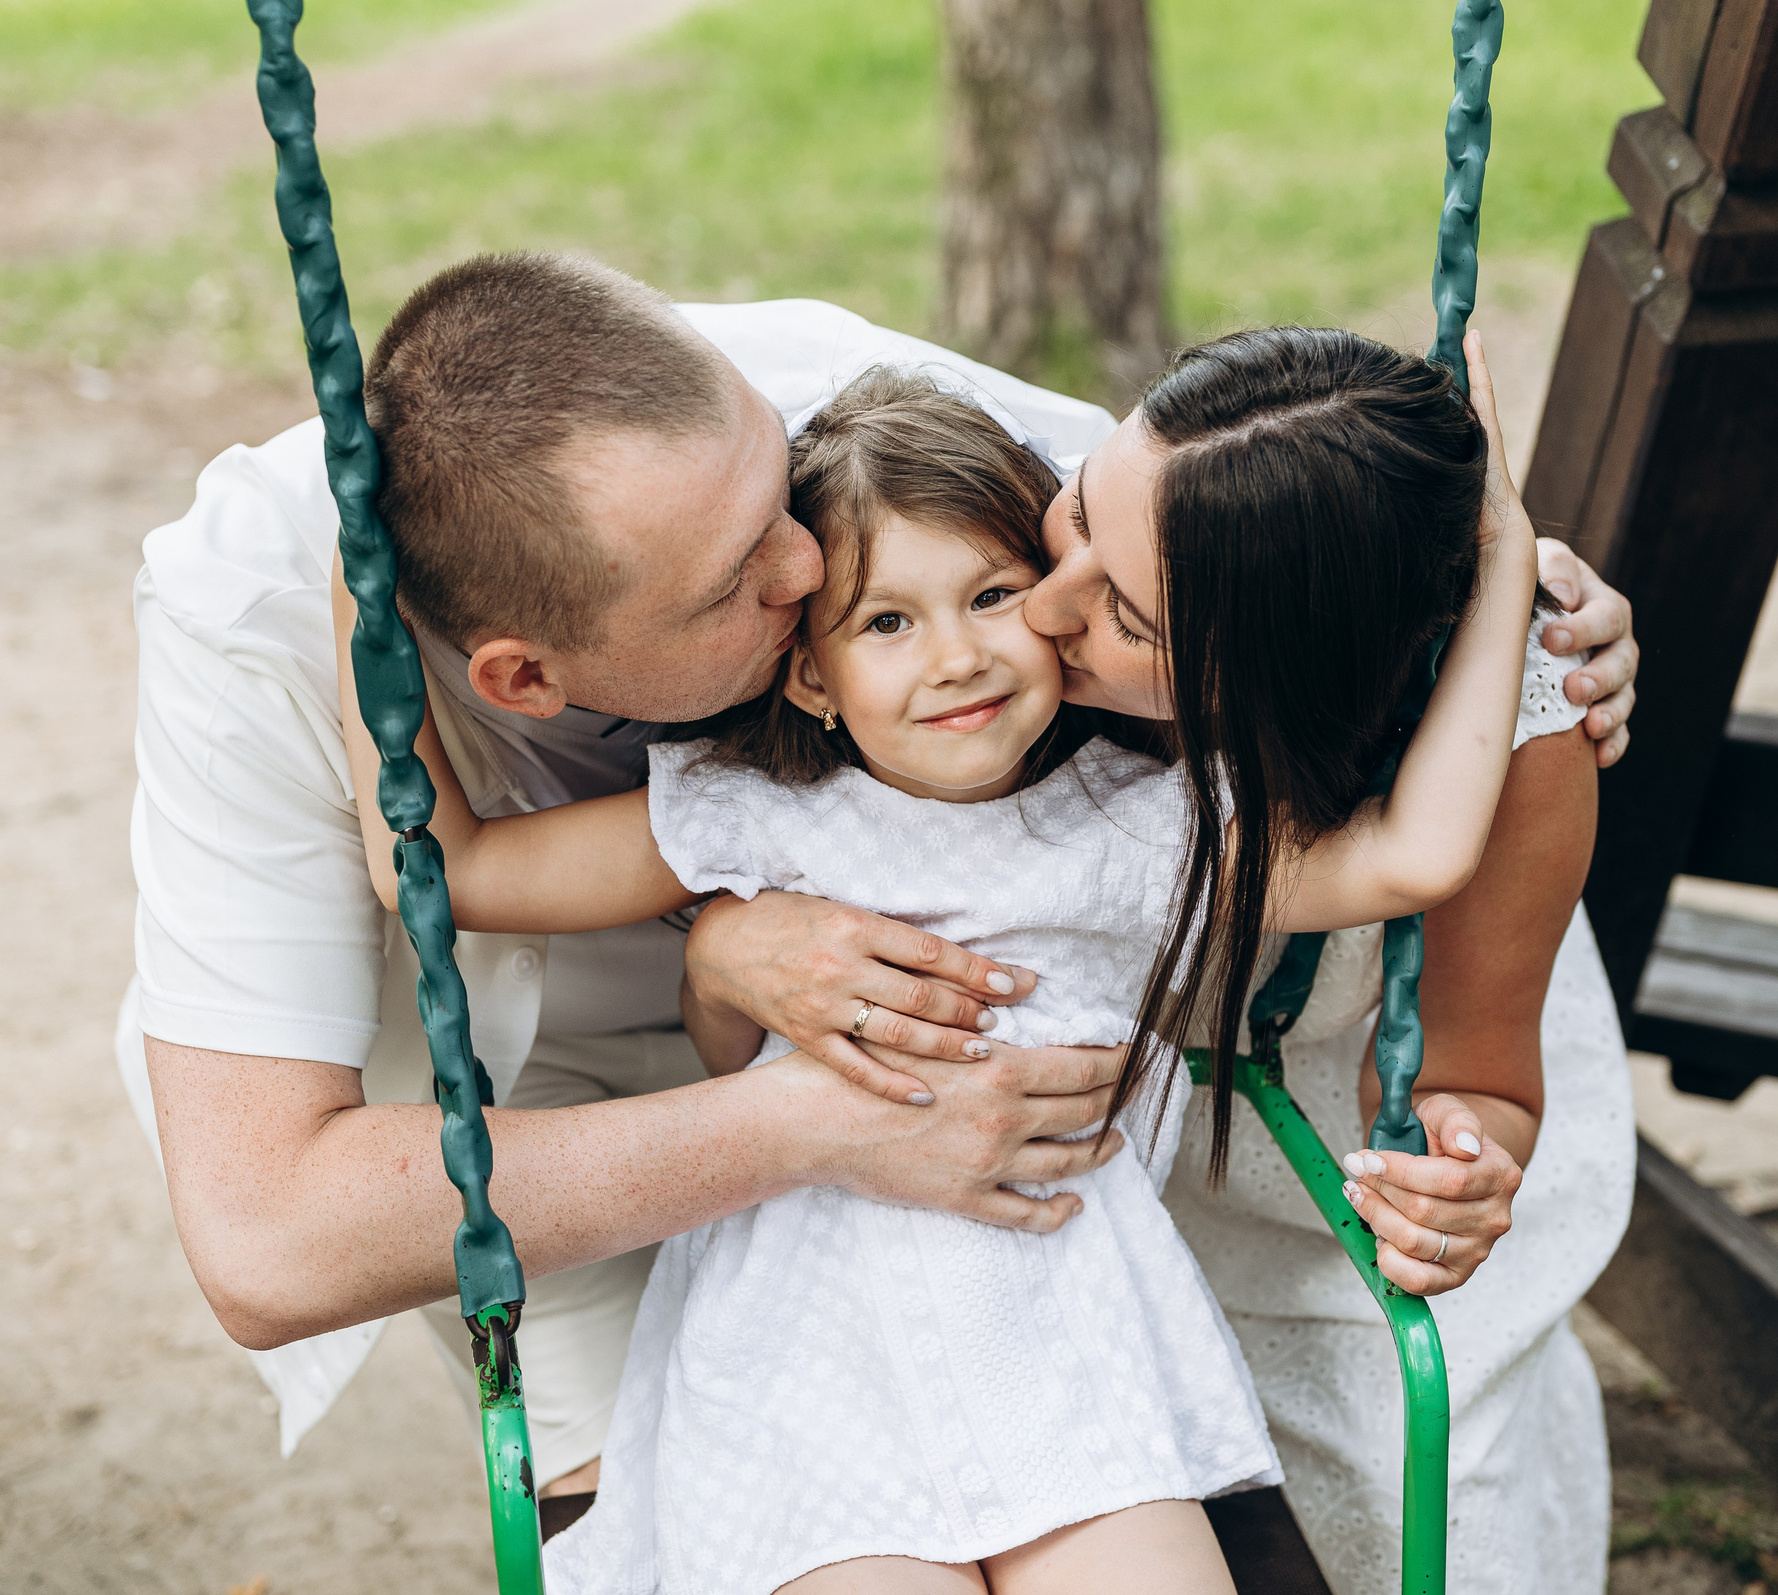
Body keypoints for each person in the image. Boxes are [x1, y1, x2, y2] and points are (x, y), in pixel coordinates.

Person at [117, 251, 1640, 1520]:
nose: (818, 575)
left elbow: (1277, 555)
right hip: (573, 1126)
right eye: (754, 588)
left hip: (1044, 1228)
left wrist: (1510, 594)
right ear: (527, 675)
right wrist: (802, 1099)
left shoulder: (853, 432)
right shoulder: (262, 632)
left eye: (782, 498)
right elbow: (281, 1216)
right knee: (730, 1513)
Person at [331, 366, 1537, 1591]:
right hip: (803, 1361)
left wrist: (1507, 571)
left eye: (993, 593)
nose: (957, 656)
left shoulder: (1145, 822)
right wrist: (354, 583)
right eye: (887, 623)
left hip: (1064, 1341)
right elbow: (453, 867)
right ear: (808, 676)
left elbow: (1418, 852)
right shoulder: (748, 814)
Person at [1018, 327, 1635, 1594]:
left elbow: (1479, 1072)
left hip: (1316, 1176)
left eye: (1125, 618)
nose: (1044, 606)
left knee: (1431, 1515)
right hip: (1087, 1161)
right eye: (1074, 509)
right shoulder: (988, 575)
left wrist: (1459, 1165)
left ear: (1280, 677)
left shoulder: (1513, 743)